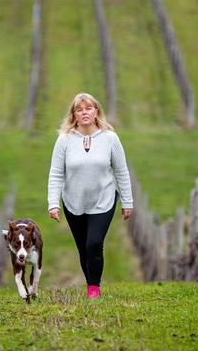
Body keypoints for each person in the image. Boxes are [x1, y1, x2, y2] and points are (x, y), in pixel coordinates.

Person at [47, 92, 133, 299]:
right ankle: (90, 284)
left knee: (94, 244)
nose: (84, 112)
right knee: (83, 249)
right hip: (73, 202)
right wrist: (53, 204)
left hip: (103, 200)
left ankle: (94, 290)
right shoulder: (65, 139)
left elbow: (121, 170)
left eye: (88, 108)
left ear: (96, 111)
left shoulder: (110, 138)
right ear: (74, 115)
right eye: (79, 109)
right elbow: (56, 173)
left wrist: (127, 201)